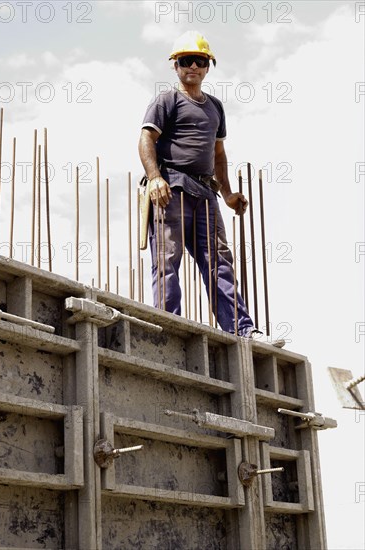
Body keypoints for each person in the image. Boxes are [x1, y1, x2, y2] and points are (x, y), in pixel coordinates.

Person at [138, 30, 275, 342]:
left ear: (208, 66)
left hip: (205, 194)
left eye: (200, 61)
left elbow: (218, 153)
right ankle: (167, 328)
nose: (193, 67)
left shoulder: (214, 106)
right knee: (167, 260)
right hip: (171, 189)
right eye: (187, 60)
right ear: (176, 65)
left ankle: (242, 330)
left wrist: (227, 194)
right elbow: (146, 138)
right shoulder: (166, 100)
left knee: (218, 263)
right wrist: (156, 177)